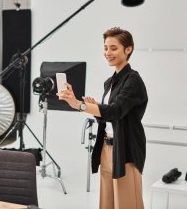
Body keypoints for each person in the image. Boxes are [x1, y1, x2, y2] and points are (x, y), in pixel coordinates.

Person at [58, 27, 148, 209]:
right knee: (106, 203)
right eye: (106, 48)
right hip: (107, 149)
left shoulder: (133, 81)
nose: (108, 53)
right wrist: (95, 108)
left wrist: (79, 105)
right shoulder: (110, 82)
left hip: (126, 150)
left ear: (128, 49)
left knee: (127, 204)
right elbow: (108, 117)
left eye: (113, 48)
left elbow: (115, 111)